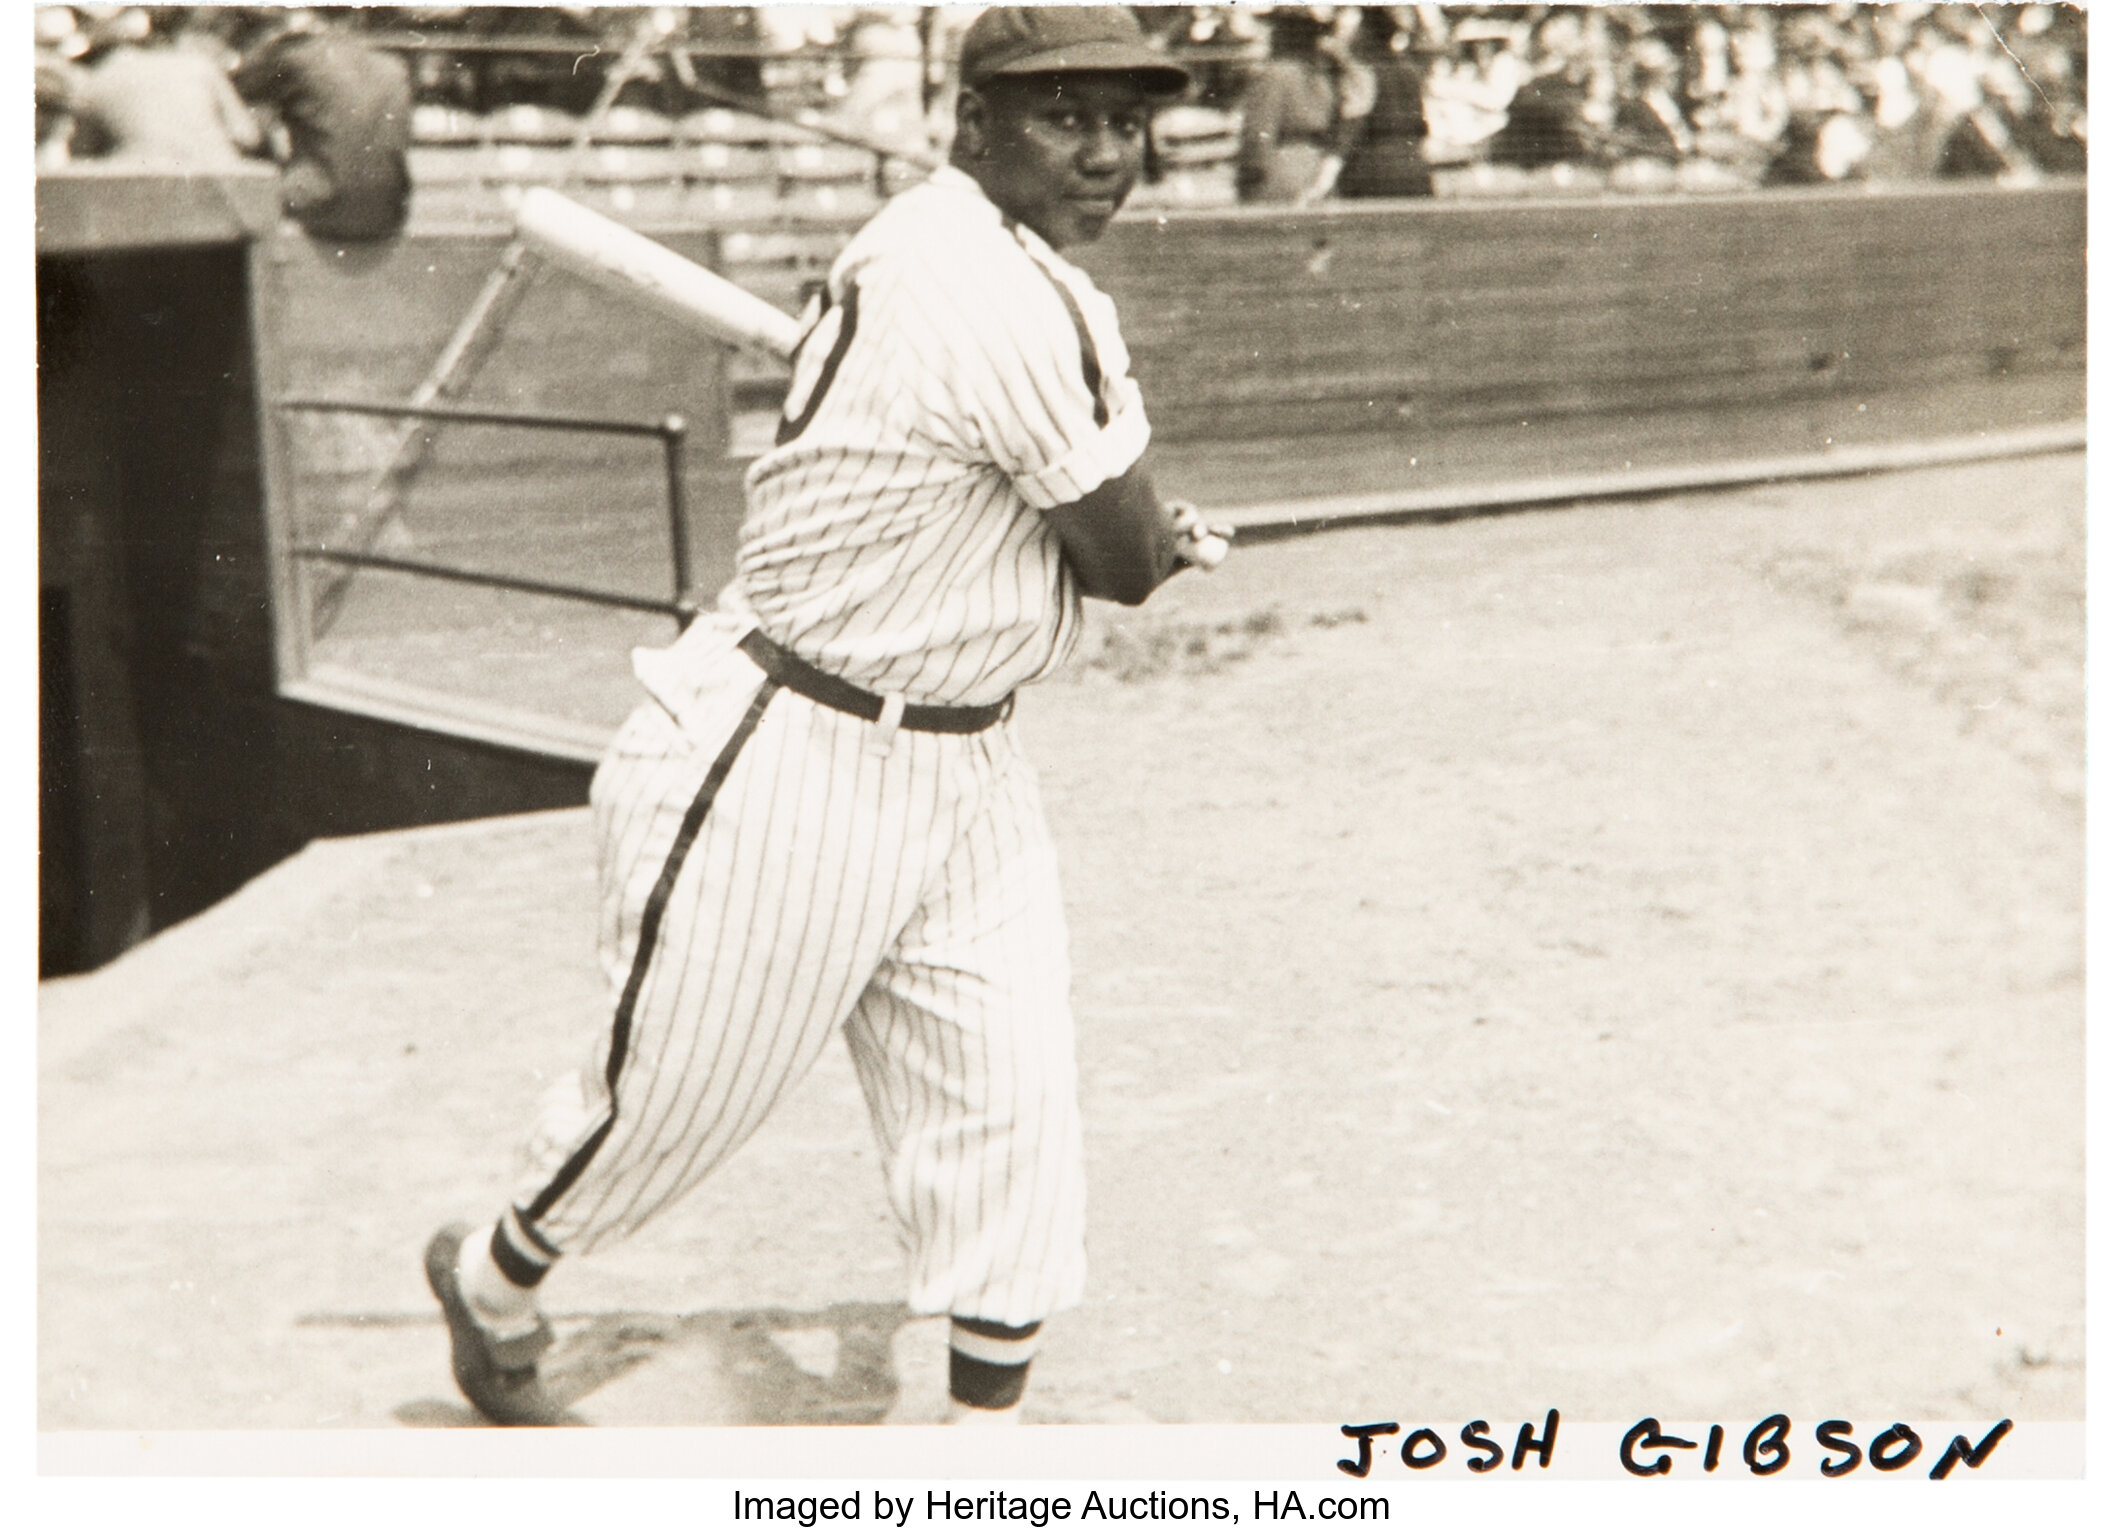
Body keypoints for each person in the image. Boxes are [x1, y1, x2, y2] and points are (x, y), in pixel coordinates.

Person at [424, 5, 1218, 1428]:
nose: (1107, 151)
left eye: (1123, 120)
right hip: (791, 744)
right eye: (1065, 116)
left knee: (1007, 1100)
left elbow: (1050, 517)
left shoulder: (969, 254)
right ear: (971, 123)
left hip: (967, 753)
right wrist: (1152, 537)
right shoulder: (988, 288)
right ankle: (491, 1276)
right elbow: (1117, 564)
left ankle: (982, 1452)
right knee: (671, 1104)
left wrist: (1131, 526)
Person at [228, 11, 412, 241]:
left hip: (320, 205)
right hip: (389, 211)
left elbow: (232, 90)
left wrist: (270, 42)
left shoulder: (298, 55)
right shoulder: (393, 65)